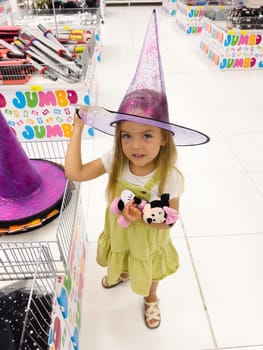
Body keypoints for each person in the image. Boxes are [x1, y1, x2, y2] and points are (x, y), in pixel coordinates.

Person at [65, 10, 209, 329]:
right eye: (126, 136)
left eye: (146, 135)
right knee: (125, 255)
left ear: (163, 139)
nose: (135, 146)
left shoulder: (170, 176)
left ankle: (151, 298)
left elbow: (168, 223)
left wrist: (143, 215)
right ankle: (125, 272)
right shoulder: (114, 160)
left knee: (151, 268)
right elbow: (75, 173)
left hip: (150, 237)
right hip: (121, 230)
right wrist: (77, 129)